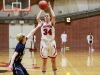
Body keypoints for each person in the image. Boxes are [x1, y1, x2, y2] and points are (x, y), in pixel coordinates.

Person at [37, 1, 57, 75]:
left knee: (53, 60)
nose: (46, 17)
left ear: (49, 17)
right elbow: (37, 18)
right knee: (44, 61)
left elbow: (54, 17)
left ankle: (55, 73)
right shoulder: (42, 24)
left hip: (51, 43)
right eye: (45, 16)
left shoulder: (52, 23)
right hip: (44, 43)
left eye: (47, 16)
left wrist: (50, 8)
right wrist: (42, 9)